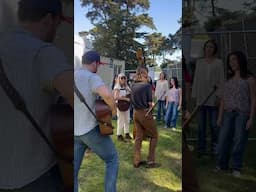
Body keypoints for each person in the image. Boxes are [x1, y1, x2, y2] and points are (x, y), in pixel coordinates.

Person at [0, 0, 73, 191]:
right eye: (58, 24)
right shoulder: (44, 53)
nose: (57, 32)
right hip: (36, 176)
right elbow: (79, 98)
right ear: (49, 19)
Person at [74, 51, 119, 192]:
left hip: (73, 132)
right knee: (112, 159)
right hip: (90, 130)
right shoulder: (91, 77)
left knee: (72, 171)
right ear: (94, 63)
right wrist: (113, 112)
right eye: (98, 64)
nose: (98, 67)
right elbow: (108, 95)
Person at [216, 51, 255, 177]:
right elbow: (223, 99)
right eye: (230, 60)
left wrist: (251, 118)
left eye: (234, 59)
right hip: (227, 113)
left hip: (242, 114)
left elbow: (253, 99)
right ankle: (222, 165)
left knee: (239, 140)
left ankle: (236, 167)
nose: (232, 63)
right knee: (223, 140)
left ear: (241, 61)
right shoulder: (228, 80)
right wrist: (220, 116)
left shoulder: (249, 79)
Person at [192, 39, 224, 157]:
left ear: (214, 49)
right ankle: (201, 149)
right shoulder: (199, 62)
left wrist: (219, 96)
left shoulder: (219, 63)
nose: (209, 49)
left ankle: (215, 147)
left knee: (214, 126)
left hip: (213, 98)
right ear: (204, 49)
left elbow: (221, 80)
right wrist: (195, 96)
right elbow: (196, 80)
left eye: (211, 47)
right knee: (201, 126)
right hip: (201, 99)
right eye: (207, 47)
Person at [131, 65, 161, 168]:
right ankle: (151, 161)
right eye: (147, 73)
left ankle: (136, 160)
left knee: (138, 137)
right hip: (144, 113)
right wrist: (152, 105)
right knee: (154, 136)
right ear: (143, 73)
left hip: (135, 113)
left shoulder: (132, 85)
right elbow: (150, 103)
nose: (147, 75)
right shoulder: (147, 86)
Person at [113, 73, 132, 141]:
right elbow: (115, 97)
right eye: (121, 78)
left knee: (127, 120)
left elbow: (131, 92)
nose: (123, 79)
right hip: (120, 106)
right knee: (121, 120)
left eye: (124, 78)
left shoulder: (125, 86)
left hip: (126, 106)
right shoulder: (117, 87)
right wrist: (125, 99)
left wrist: (127, 86)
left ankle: (126, 133)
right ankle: (119, 135)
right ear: (119, 79)